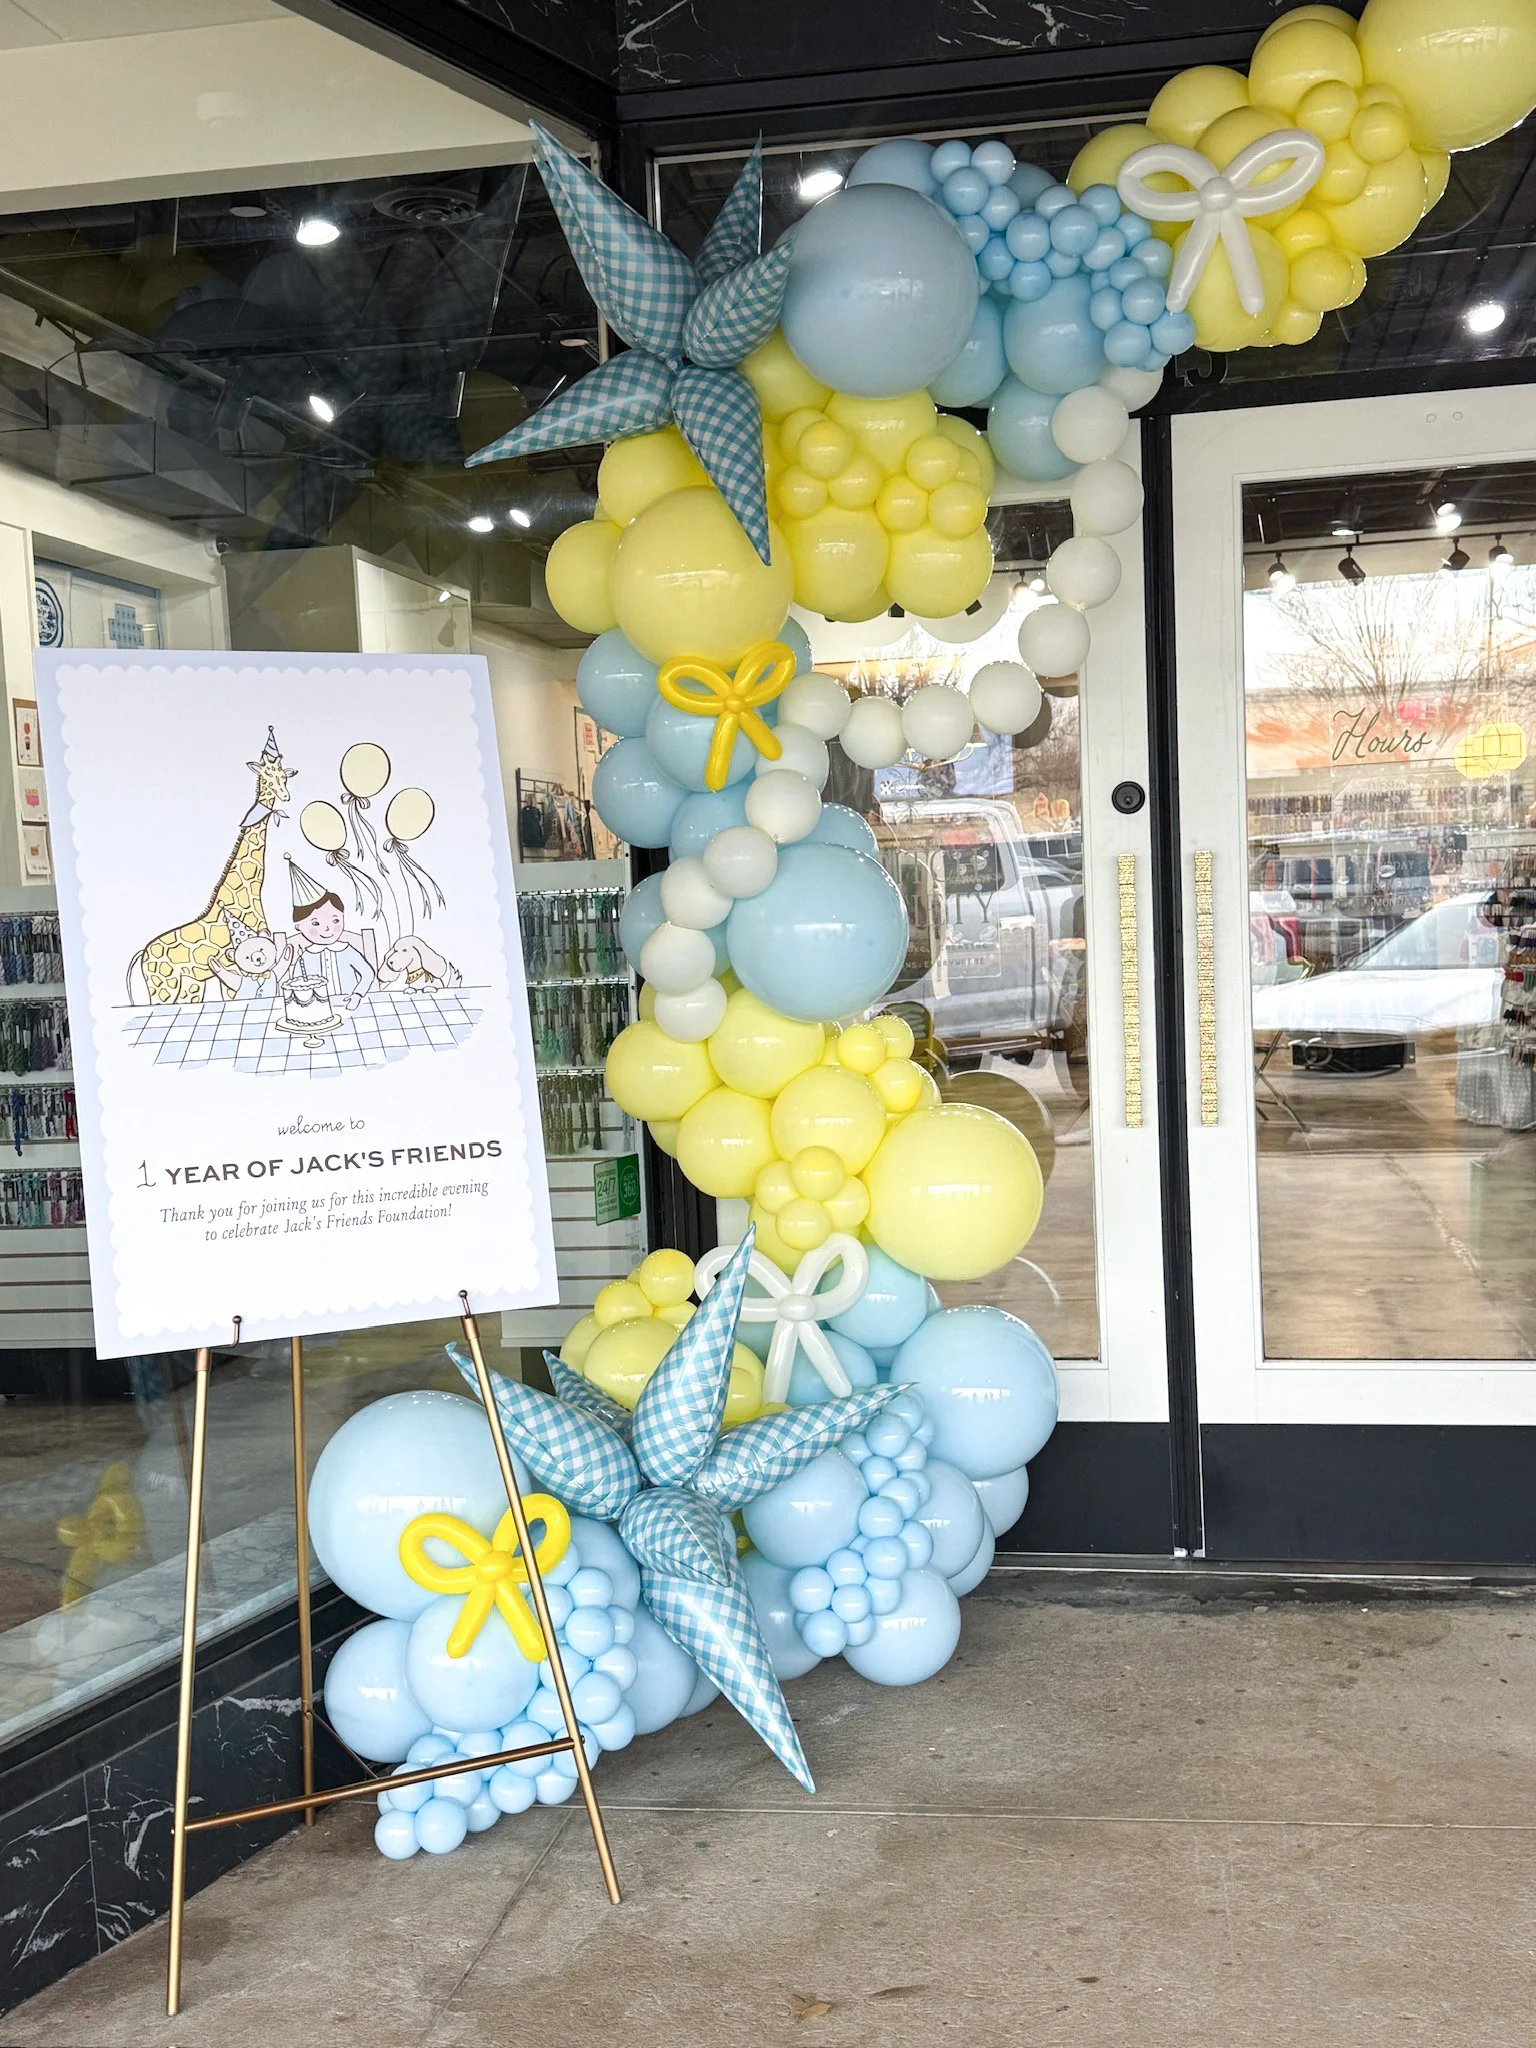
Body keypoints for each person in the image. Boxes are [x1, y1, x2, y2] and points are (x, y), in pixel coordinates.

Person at [284, 859, 376, 1012]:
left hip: (351, 1009)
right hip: (317, 1012)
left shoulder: (347, 951)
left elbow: (367, 973)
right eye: (315, 923)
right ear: (299, 927)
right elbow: (298, 985)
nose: (327, 929)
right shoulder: (305, 957)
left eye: (335, 920)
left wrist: (357, 995)